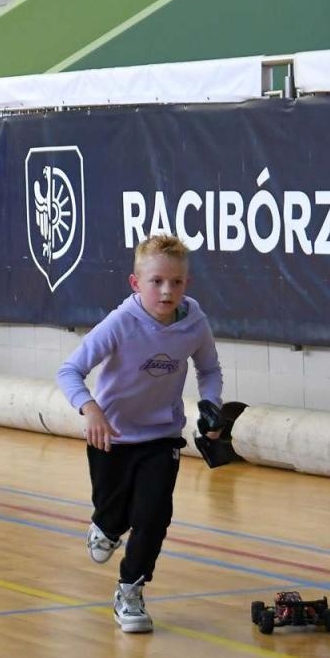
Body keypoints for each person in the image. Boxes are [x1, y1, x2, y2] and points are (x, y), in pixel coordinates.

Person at [56, 234, 225, 634]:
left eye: (177, 282)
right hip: (111, 437)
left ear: (187, 283)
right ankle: (106, 526)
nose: (167, 291)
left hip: (161, 436)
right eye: (157, 282)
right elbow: (69, 371)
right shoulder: (119, 323)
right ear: (136, 283)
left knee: (154, 514)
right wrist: (91, 408)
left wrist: (210, 404)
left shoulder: (194, 321)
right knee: (115, 514)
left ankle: (130, 589)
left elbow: (210, 369)